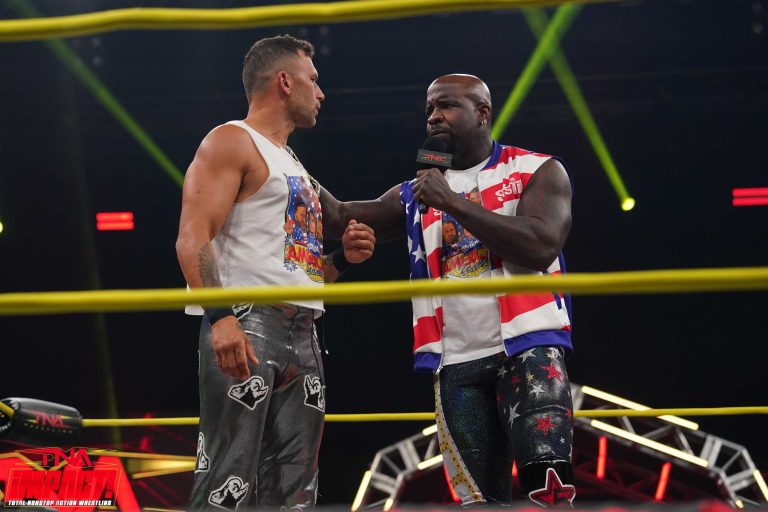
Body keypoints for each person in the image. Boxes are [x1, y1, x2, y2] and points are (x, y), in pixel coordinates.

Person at [320, 74, 575, 506]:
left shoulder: (536, 169)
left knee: (547, 492)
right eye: (430, 109)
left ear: (483, 113)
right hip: (455, 362)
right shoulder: (417, 193)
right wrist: (283, 165)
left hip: (528, 350)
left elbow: (541, 245)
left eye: (447, 106)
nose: (434, 116)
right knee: (476, 501)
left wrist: (452, 201)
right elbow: (340, 216)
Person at [175, 35, 375, 511]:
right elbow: (192, 236)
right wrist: (222, 317)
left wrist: (342, 259)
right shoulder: (231, 140)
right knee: (228, 477)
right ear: (285, 82)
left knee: (296, 488)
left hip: (303, 330)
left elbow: (299, 271)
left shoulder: (294, 166)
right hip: (247, 321)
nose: (320, 92)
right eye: (313, 80)